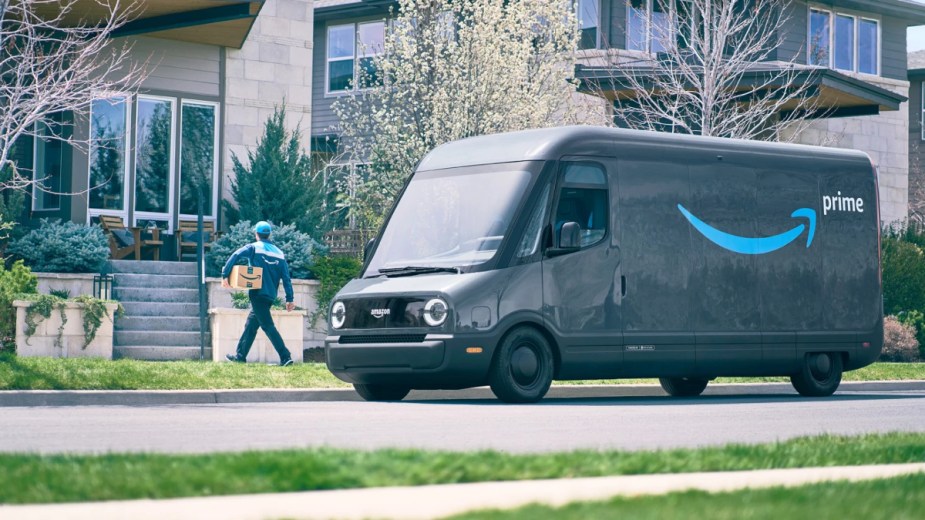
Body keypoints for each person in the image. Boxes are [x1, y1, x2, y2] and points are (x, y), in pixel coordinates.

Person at [222, 221, 296, 366]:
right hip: (270, 295)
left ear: (256, 234)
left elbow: (236, 255)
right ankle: (240, 356)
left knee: (268, 326)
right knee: (251, 325)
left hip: (257, 293)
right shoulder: (279, 254)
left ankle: (285, 356)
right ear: (269, 235)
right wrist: (289, 298)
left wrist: (225, 274)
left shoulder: (253, 248)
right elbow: (286, 278)